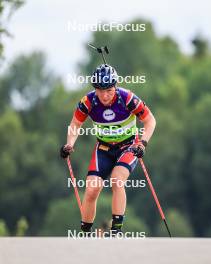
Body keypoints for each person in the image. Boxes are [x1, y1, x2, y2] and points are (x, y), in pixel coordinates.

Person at [60, 64, 156, 235]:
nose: (104, 95)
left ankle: (116, 230)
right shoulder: (88, 102)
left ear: (115, 86)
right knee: (91, 189)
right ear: (94, 88)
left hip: (129, 146)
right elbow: (76, 124)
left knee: (117, 180)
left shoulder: (127, 98)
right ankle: (86, 232)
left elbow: (150, 121)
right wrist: (69, 144)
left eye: (109, 90)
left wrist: (143, 143)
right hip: (103, 148)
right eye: (100, 90)